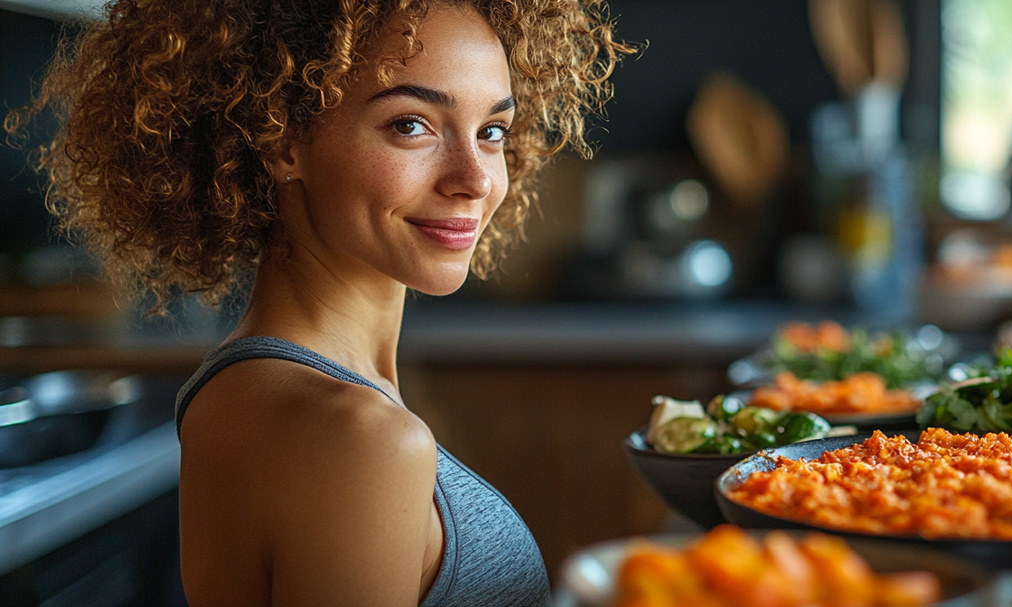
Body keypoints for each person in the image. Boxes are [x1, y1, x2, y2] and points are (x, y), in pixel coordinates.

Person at [7, 1, 630, 605]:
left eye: (492, 131)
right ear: (282, 137)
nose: (475, 178)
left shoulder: (238, 388)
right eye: (411, 124)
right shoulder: (361, 438)